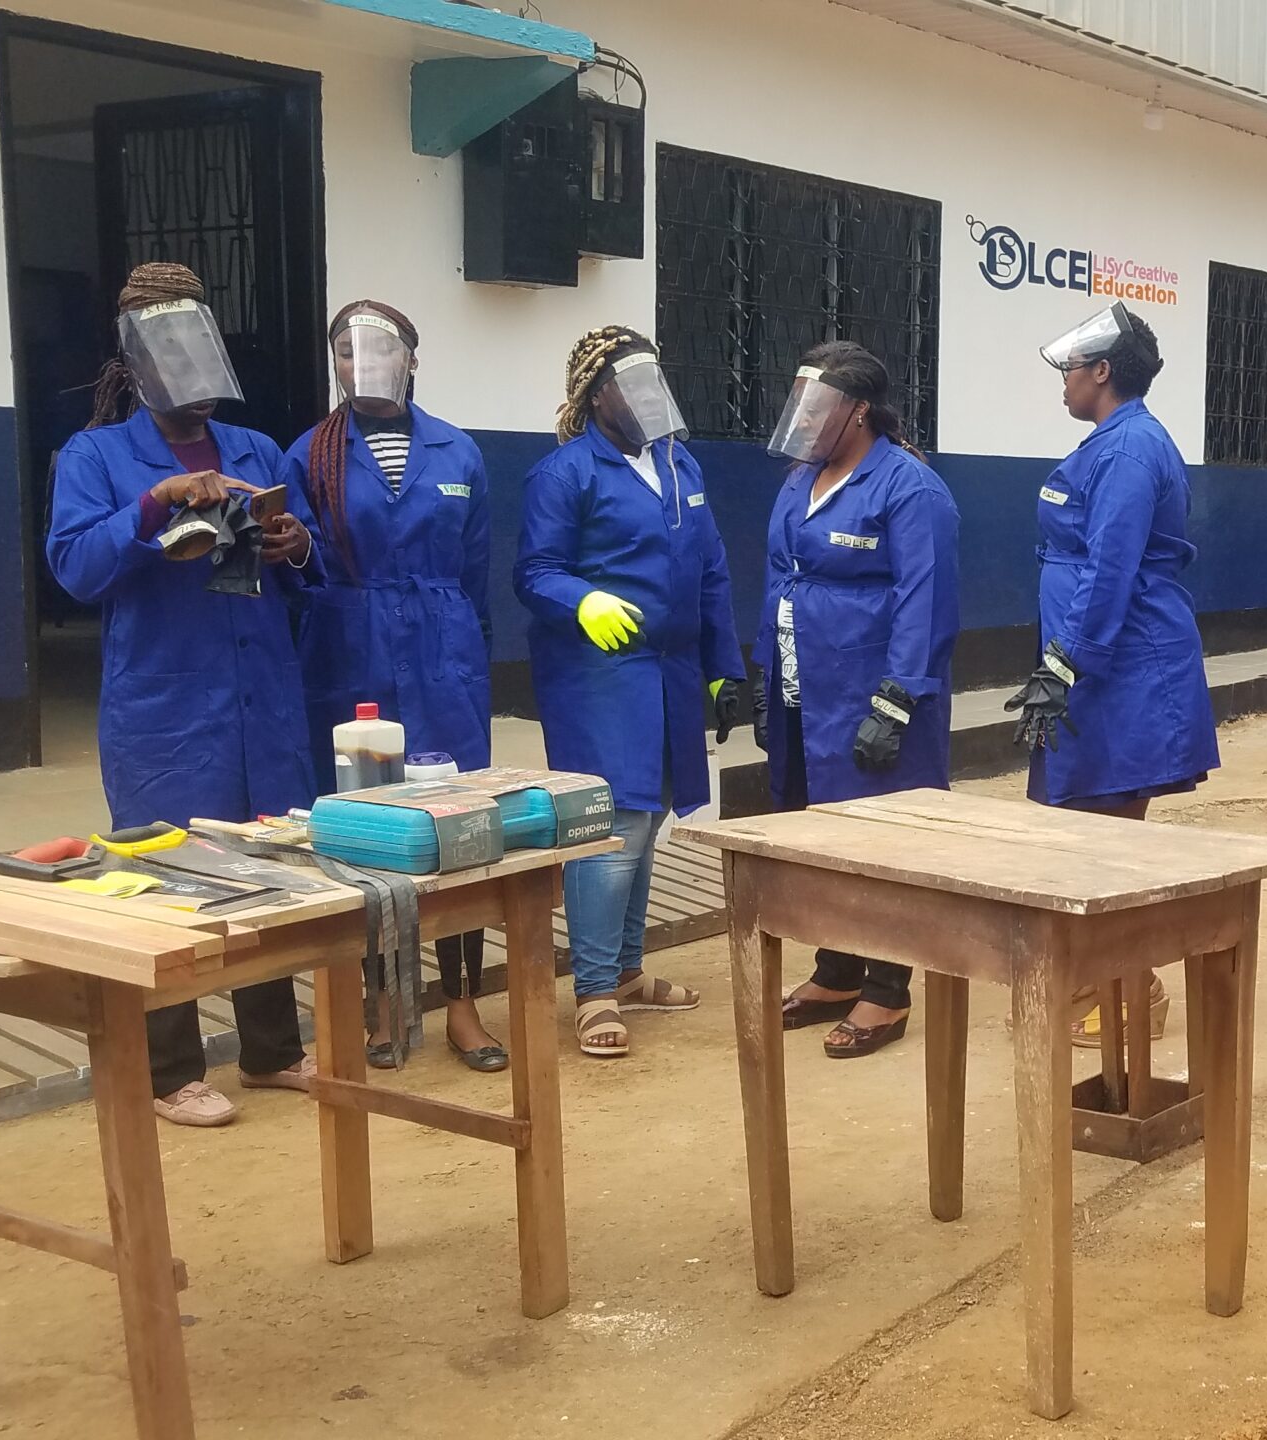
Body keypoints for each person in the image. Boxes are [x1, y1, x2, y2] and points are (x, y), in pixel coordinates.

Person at [44, 261, 318, 1126]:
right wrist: (152, 503)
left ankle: (273, 1050)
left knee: (265, 866)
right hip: (166, 704)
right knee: (163, 873)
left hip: (260, 693)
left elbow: (305, 561)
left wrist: (295, 545)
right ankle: (170, 1071)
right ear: (135, 368)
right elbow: (74, 568)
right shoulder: (95, 456)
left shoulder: (256, 450)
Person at [515, 326, 743, 1060]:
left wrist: (723, 667)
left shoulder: (680, 464)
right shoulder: (564, 474)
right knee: (611, 825)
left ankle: (628, 970)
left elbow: (712, 570)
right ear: (595, 396)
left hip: (671, 669)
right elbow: (535, 571)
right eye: (630, 384)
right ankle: (594, 992)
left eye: (654, 381)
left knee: (650, 821)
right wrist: (582, 600)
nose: (647, 397)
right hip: (600, 673)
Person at [292, 300, 505, 1073]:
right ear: (335, 364)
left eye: (381, 349)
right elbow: (299, 568)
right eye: (346, 351)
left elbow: (475, 572)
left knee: (459, 829)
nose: (363, 363)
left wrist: (470, 658)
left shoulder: (458, 452)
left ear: (413, 359)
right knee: (367, 833)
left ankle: (462, 1004)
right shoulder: (310, 454)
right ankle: (382, 1001)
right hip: (353, 653)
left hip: (446, 655)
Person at [1004, 302, 1220, 1046]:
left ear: (1101, 372)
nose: (1062, 380)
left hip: (1125, 668)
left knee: (1107, 839)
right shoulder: (1111, 441)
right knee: (1079, 830)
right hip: (1096, 660)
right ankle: (1098, 983)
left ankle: (1134, 995)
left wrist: (1065, 663)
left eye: (1070, 368)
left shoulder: (1128, 449)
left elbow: (1110, 567)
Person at [757, 342, 962, 1060]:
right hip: (803, 688)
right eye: (802, 404)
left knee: (882, 839)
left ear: (860, 412)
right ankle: (838, 969)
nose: (807, 418)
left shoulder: (909, 487)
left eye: (821, 406)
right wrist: (766, 677)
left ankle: (887, 985)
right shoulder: (800, 479)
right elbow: (778, 577)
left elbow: (925, 600)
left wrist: (896, 702)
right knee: (819, 833)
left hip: (870, 694)